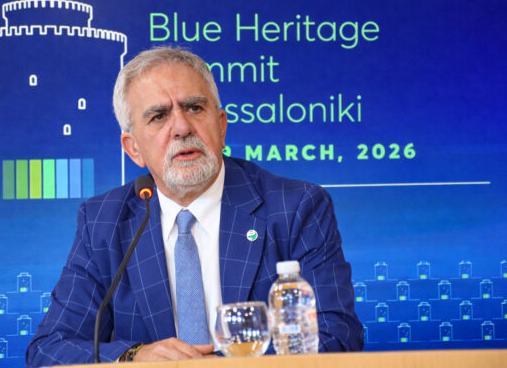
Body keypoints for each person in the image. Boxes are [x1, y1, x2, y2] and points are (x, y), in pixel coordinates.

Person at [26, 47, 363, 366]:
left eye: (194, 108)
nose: (182, 127)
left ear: (221, 126)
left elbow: (337, 334)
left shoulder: (295, 208)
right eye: (159, 116)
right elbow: (49, 348)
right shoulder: (103, 222)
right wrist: (134, 358)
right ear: (133, 149)